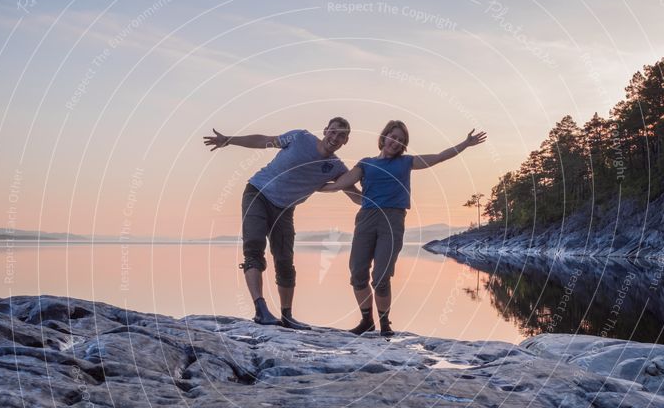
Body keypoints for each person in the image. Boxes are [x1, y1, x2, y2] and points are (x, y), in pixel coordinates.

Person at [324, 120, 487, 336]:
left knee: (381, 277)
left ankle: (385, 325)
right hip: (366, 219)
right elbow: (339, 184)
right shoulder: (366, 164)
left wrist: (465, 144)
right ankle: (366, 321)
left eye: (401, 141)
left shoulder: (406, 163)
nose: (396, 142)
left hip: (392, 220)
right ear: (384, 137)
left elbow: (438, 157)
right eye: (393, 137)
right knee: (358, 273)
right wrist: (302, 185)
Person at [203, 118, 358, 329]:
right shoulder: (300, 137)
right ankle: (261, 310)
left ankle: (287, 316)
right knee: (254, 250)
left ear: (346, 140)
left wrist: (384, 202)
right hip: (257, 193)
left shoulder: (336, 167)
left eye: (341, 135)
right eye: (333, 131)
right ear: (325, 130)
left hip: (284, 209)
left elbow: (354, 194)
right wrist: (229, 140)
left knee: (285, 260)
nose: (335, 137)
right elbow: (265, 141)